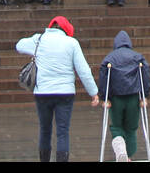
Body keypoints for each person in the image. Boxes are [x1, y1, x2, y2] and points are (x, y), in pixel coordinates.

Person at [15, 16, 100, 162]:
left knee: (45, 129)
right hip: (65, 93)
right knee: (63, 132)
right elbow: (83, 71)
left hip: (42, 92)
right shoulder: (72, 43)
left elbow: (19, 45)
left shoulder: (39, 39)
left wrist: (35, 40)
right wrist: (94, 93)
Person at [99, 30, 150, 162]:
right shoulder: (137, 57)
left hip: (116, 98)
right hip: (133, 97)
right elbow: (145, 74)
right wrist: (144, 95)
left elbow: (103, 76)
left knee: (116, 126)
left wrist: (104, 97)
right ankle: (128, 156)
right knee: (131, 127)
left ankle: (121, 151)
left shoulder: (109, 58)